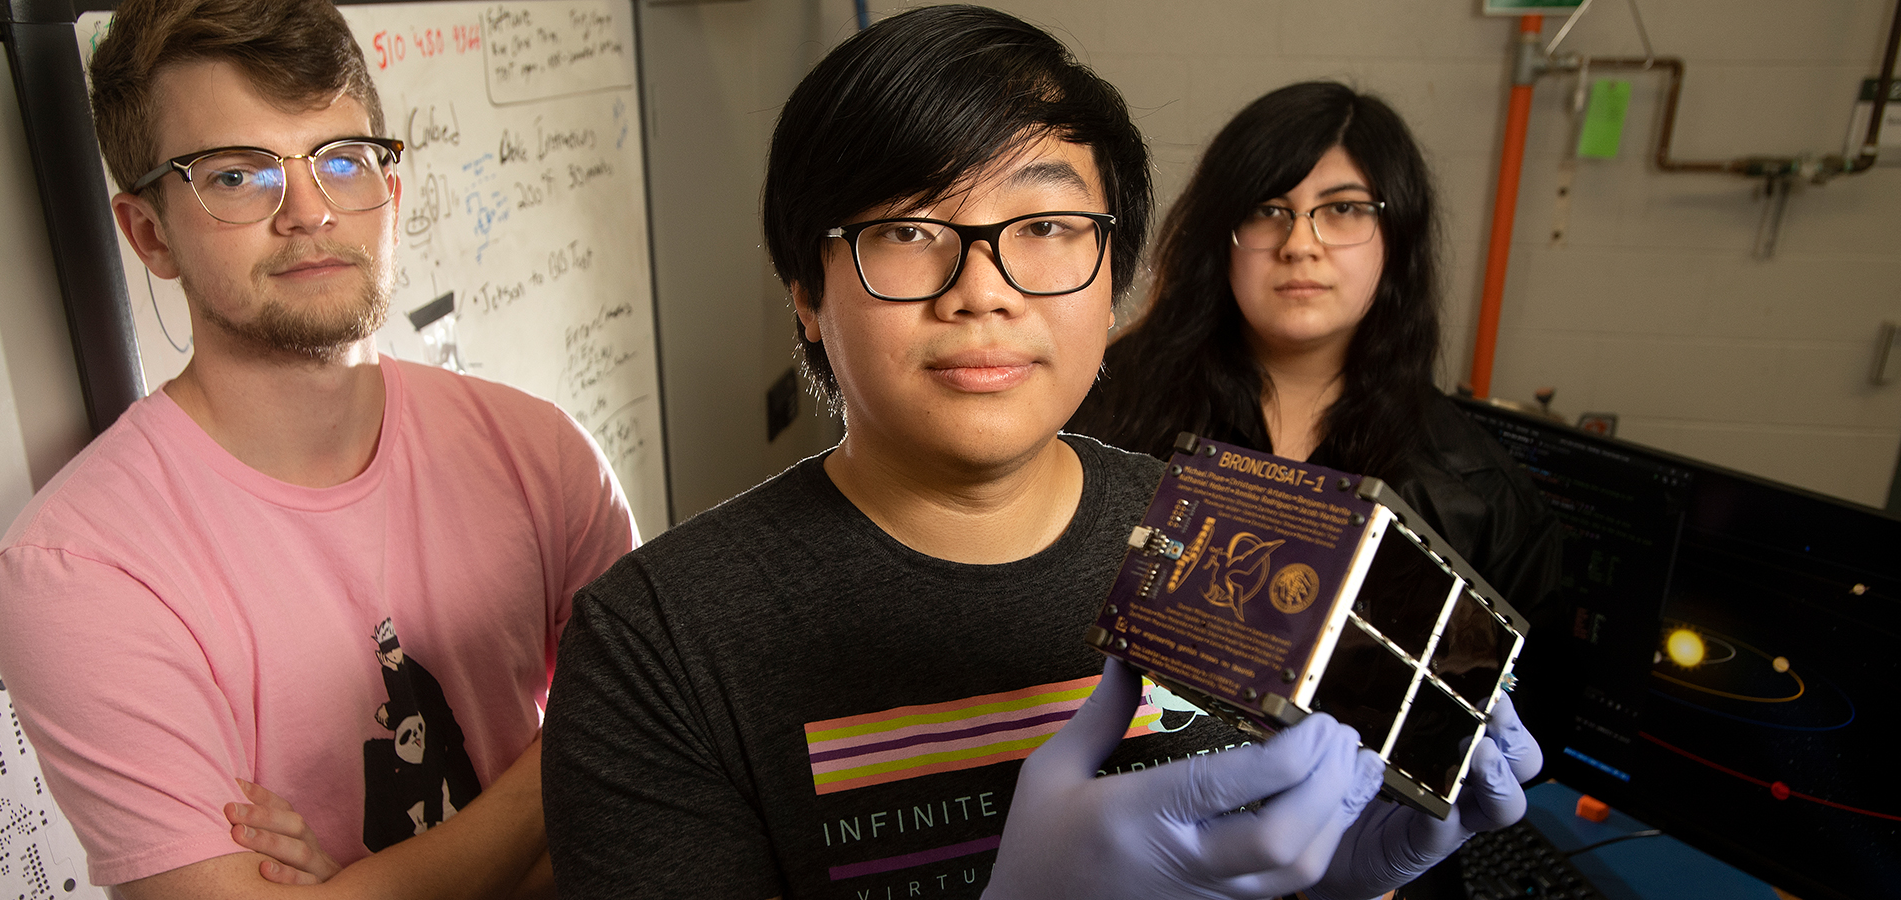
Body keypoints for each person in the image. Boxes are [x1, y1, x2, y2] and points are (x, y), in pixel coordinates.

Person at [540, 9, 1537, 900]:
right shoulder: (653, 646)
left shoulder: (1226, 540)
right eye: (908, 229)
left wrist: (1339, 885)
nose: (983, 291)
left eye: (1050, 225)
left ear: (1113, 279)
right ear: (805, 289)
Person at [0, 0, 635, 896]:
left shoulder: (543, 454)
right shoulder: (77, 569)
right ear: (147, 233)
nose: (309, 212)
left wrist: (370, 885)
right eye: (237, 176)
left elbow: (661, 794)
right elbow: (611, 759)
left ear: (389, 193)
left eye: (341, 160)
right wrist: (558, 769)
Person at [1068, 81, 1562, 625]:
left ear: (1397, 237)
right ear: (1219, 236)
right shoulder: (1095, 411)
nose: (1299, 244)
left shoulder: (1481, 496)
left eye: (1343, 208)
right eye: (1266, 209)